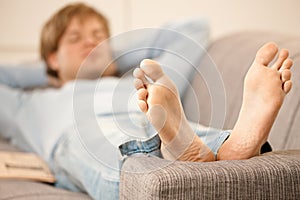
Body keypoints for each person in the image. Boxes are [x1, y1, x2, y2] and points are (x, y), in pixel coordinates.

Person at [0, 2, 293, 200]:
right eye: (75, 37)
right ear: (52, 56)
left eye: (98, 36)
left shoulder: (144, 83)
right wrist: (48, 70)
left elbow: (194, 27)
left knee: (178, 125)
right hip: (77, 130)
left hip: (149, 116)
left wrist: (110, 54)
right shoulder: (31, 105)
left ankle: (230, 146)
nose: (90, 42)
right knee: (109, 149)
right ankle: (183, 153)